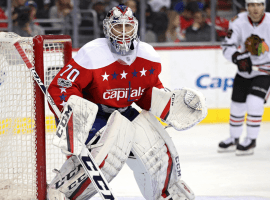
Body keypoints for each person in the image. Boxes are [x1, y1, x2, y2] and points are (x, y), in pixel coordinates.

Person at [47, 4, 206, 200]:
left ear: (135, 28)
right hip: (95, 115)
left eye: (128, 27)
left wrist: (168, 106)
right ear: (107, 29)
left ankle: (166, 195)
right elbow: (62, 86)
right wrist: (75, 117)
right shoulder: (92, 53)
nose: (123, 33)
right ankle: (61, 193)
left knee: (157, 152)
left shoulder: (148, 55)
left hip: (126, 112)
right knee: (105, 157)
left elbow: (147, 93)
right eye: (117, 27)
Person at [218, 0, 270, 156]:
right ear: (247, 7)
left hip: (265, 71)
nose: (255, 8)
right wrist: (237, 57)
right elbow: (228, 46)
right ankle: (234, 138)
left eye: (259, 4)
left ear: (264, 6)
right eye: (252, 5)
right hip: (244, 72)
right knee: (236, 105)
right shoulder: (238, 21)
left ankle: (251, 140)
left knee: (254, 102)